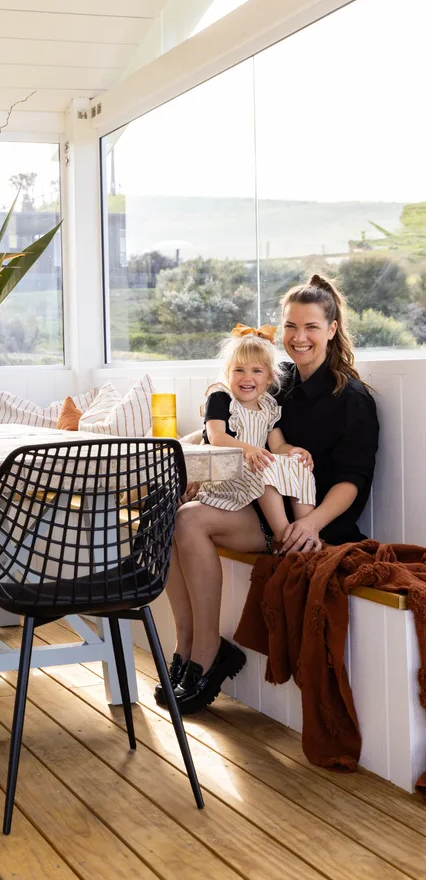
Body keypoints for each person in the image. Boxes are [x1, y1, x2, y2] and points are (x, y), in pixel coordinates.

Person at [155, 274, 378, 715]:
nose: (299, 337)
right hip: (254, 499)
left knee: (189, 521)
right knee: (170, 511)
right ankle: (187, 644)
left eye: (311, 327)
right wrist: (198, 459)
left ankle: (207, 655)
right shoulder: (278, 383)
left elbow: (353, 480)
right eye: (291, 326)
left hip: (310, 519)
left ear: (332, 329)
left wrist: (309, 524)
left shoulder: (352, 399)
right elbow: (231, 423)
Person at [198, 326, 316, 551]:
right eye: (239, 370)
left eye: (256, 371)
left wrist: (295, 452)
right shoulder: (221, 397)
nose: (247, 378)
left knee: (300, 466)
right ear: (228, 372)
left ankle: (305, 536)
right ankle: (284, 539)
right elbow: (216, 437)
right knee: (261, 465)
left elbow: (278, 445)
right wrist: (248, 449)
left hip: (252, 467)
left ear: (270, 377)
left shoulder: (269, 406)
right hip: (225, 472)